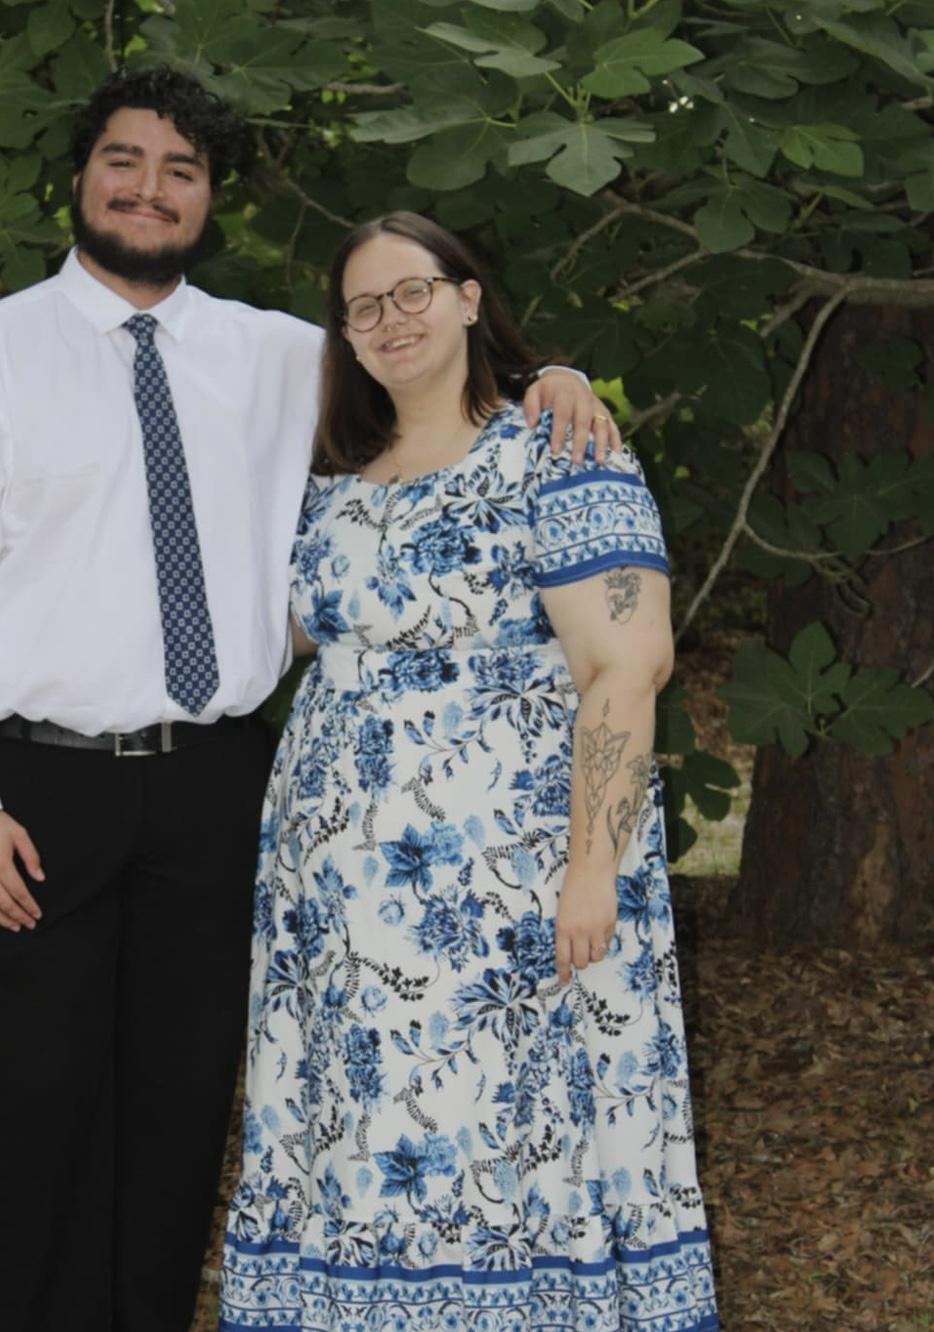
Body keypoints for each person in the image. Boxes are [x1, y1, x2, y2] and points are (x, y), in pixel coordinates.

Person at [0, 66, 614, 1332]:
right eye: (125, 160)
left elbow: (426, 360)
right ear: (81, 177)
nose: (150, 188)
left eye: (182, 170)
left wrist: (551, 373)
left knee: (183, 1102)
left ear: (209, 197)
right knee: (39, 1101)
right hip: (38, 788)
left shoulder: (284, 357)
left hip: (222, 784)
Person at [220, 212, 718, 1331]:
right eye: (362, 306)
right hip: (338, 910)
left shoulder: (559, 451)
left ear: (467, 298)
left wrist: (592, 869)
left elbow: (627, 666)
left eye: (413, 291)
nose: (389, 319)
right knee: (361, 1138)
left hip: (506, 891)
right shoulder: (331, 481)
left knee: (501, 1135)